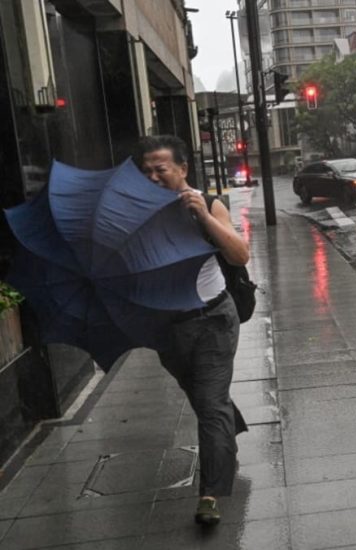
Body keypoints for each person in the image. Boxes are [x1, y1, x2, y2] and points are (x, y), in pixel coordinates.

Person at [133, 135, 250, 525]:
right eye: (146, 171)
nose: (152, 177)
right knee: (204, 399)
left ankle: (211, 494)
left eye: (160, 169)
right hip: (168, 327)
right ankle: (228, 431)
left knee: (210, 404)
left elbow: (239, 253)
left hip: (214, 318)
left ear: (182, 169)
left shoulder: (209, 202)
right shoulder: (139, 214)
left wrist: (202, 214)